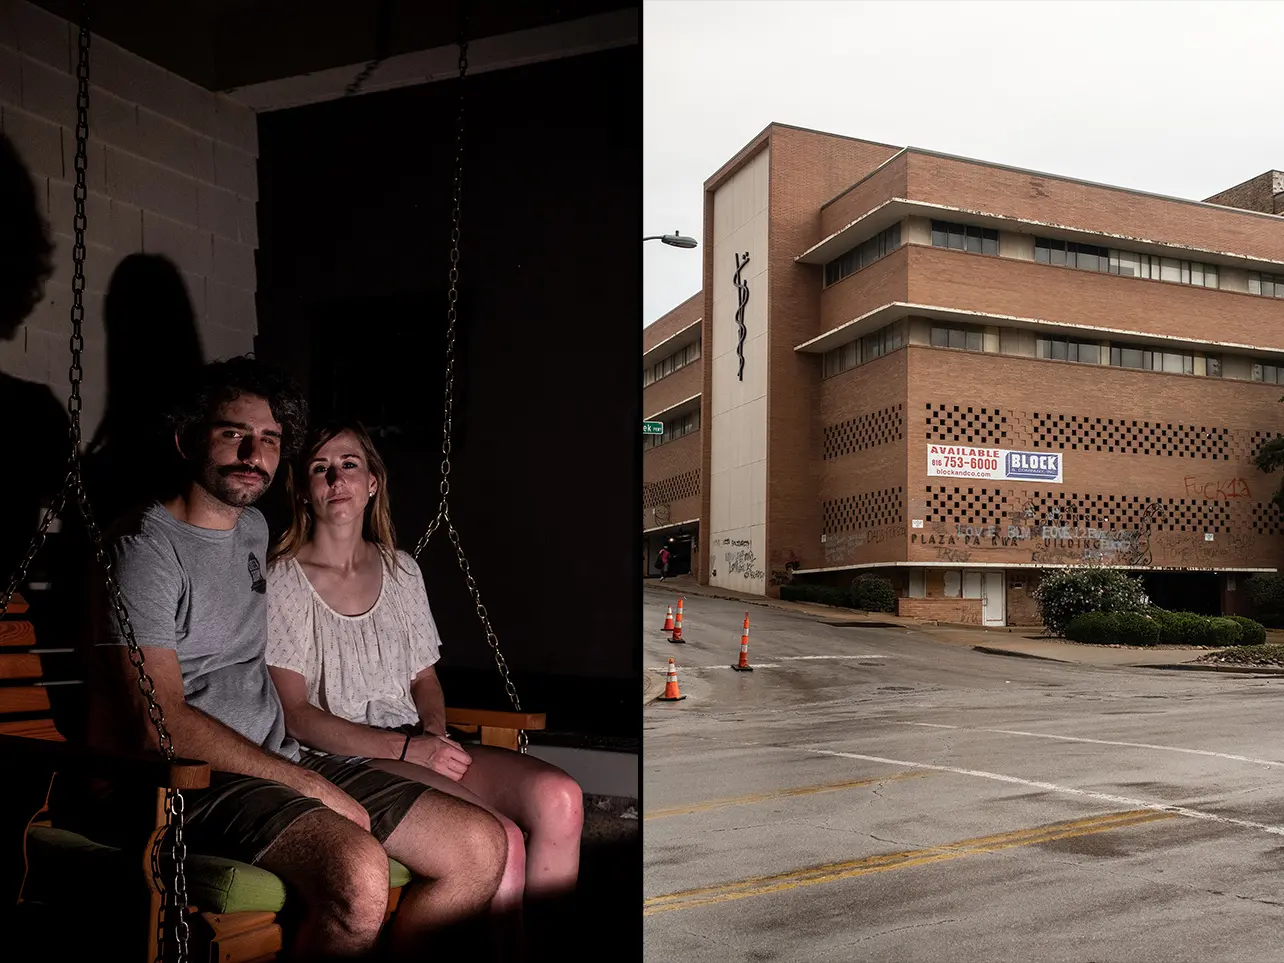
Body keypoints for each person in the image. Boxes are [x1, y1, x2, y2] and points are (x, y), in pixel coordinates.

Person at [85, 358, 507, 962]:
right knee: (359, 873)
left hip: (277, 759)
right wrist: (304, 780)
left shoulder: (253, 532)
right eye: (233, 433)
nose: (253, 453)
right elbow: (162, 723)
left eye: (270, 441)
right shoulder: (143, 549)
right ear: (186, 439)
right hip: (193, 780)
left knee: (479, 847)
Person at [264, 420, 584, 954]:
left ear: (372, 483)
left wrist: (433, 734)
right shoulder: (283, 579)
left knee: (562, 797)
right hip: (347, 755)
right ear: (302, 488)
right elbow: (296, 714)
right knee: (501, 836)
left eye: (349, 465)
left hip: (418, 738)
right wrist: (412, 751)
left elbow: (424, 679)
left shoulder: (402, 570)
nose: (336, 478)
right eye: (320, 469)